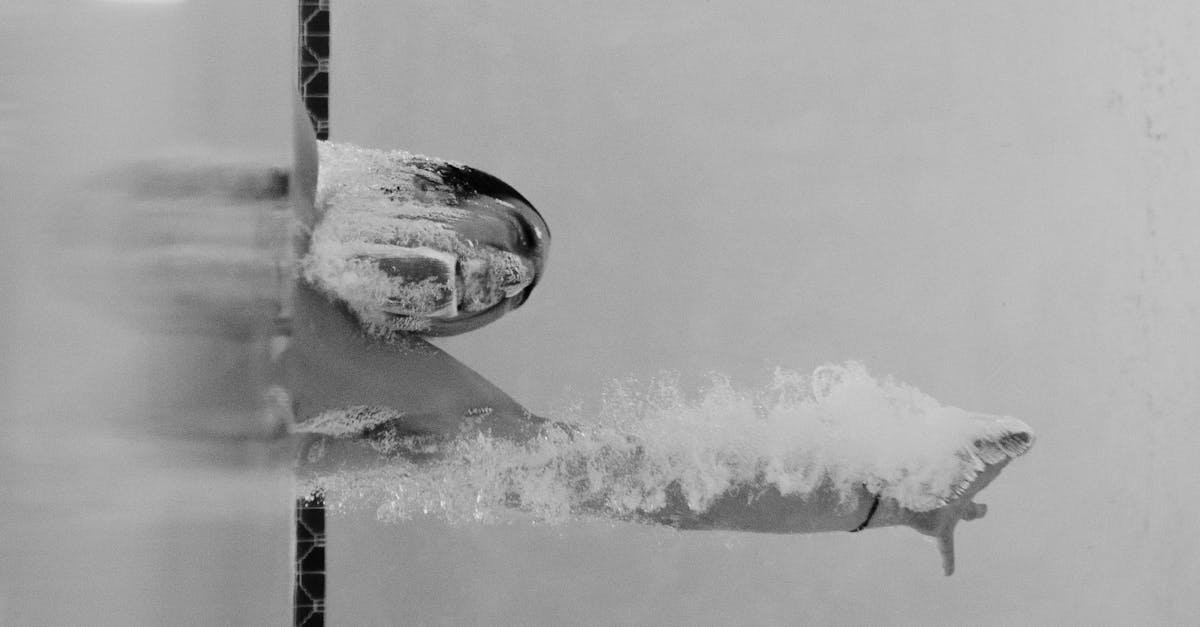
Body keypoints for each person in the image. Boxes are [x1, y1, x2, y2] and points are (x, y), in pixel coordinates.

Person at [71, 100, 1030, 576]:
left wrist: (873, 491)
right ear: (408, 189)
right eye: (481, 240)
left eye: (488, 293)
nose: (466, 277)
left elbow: (639, 478)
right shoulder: (259, 134)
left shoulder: (387, 382)